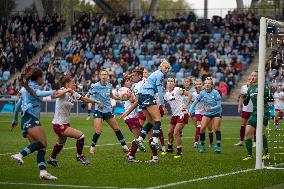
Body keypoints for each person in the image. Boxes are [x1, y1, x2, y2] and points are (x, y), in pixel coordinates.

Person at [11, 68, 67, 180]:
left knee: (41, 147)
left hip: (26, 120)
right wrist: (53, 92)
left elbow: (18, 106)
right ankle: (20, 155)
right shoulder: (31, 88)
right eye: (43, 77)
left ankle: (43, 172)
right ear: (39, 78)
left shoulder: (25, 88)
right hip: (30, 118)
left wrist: (15, 120)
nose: (44, 79)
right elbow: (38, 93)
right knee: (43, 142)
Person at [47, 77, 104, 167]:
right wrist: (67, 90)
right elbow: (55, 95)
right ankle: (80, 155)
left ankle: (52, 159)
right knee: (81, 136)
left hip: (65, 123)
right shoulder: (62, 91)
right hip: (59, 124)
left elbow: (84, 99)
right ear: (67, 84)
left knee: (61, 143)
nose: (75, 84)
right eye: (73, 83)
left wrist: (97, 102)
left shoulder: (74, 93)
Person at [135, 60, 171, 162]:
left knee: (150, 121)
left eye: (168, 68)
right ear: (161, 66)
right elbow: (159, 90)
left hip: (142, 96)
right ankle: (155, 140)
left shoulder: (155, 73)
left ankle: (140, 139)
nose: (167, 70)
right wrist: (163, 105)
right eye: (165, 67)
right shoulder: (160, 75)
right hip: (147, 95)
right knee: (158, 119)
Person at [89, 69, 128, 154]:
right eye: (102, 74)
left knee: (116, 128)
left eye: (105, 74)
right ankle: (92, 146)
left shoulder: (109, 85)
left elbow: (112, 96)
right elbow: (88, 96)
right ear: (99, 76)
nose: (104, 76)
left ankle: (124, 146)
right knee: (98, 131)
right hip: (98, 110)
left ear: (107, 76)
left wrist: (121, 98)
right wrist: (97, 102)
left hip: (107, 111)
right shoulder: (95, 86)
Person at [242, 71, 272, 161]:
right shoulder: (250, 88)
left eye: (255, 76)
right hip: (255, 113)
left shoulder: (263, 87)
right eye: (252, 76)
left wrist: (261, 98)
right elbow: (246, 102)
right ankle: (249, 155)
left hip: (264, 112)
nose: (253, 77)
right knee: (247, 133)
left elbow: (271, 98)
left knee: (260, 132)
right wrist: (244, 95)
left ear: (259, 77)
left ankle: (266, 153)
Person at [189, 77, 222, 153]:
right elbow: (195, 102)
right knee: (202, 128)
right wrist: (190, 111)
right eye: (206, 83)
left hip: (216, 112)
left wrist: (211, 108)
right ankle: (203, 146)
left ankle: (218, 146)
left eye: (209, 83)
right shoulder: (202, 93)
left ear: (211, 85)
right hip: (207, 113)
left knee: (216, 128)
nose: (207, 84)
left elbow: (219, 105)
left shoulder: (216, 93)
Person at [164, 77, 190, 158]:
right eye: (168, 81)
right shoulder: (166, 94)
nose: (170, 82)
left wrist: (186, 105)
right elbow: (163, 103)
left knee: (176, 132)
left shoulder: (178, 89)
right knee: (169, 133)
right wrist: (164, 108)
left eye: (172, 81)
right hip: (174, 115)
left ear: (174, 83)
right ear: (167, 83)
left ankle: (179, 152)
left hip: (182, 113)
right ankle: (170, 147)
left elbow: (189, 94)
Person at [235, 77, 254, 146]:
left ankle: (255, 142)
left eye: (252, 79)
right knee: (242, 125)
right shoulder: (243, 87)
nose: (250, 81)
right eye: (249, 79)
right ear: (247, 80)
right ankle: (241, 141)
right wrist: (239, 106)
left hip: (253, 110)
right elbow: (241, 97)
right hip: (245, 109)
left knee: (254, 126)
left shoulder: (255, 88)